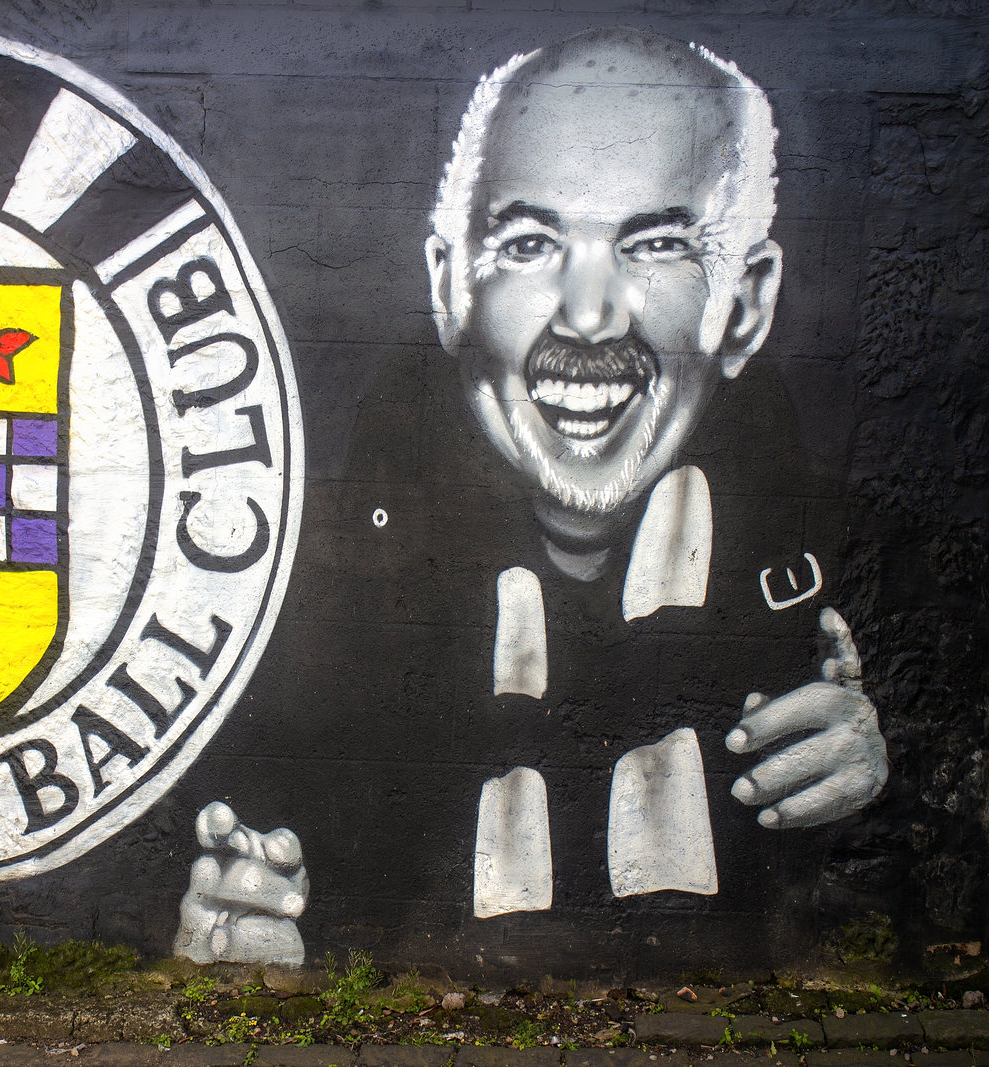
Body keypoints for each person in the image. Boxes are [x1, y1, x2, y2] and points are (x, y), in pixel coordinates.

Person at [181, 27, 890, 955]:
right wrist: (240, 925)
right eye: (527, 243)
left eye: (658, 243)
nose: (588, 315)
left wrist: (886, 780)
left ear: (745, 304)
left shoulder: (858, 556)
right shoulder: (293, 595)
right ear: (449, 290)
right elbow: (231, 868)